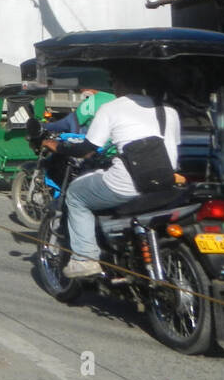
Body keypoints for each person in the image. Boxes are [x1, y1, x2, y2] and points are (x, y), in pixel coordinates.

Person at [62, 66, 182, 279]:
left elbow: (89, 147)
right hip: (164, 183)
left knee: (75, 194)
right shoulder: (168, 110)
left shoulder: (111, 108)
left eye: (113, 81)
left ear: (120, 83)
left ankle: (84, 259)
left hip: (128, 184)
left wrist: (63, 148)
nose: (113, 87)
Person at [44, 87, 114, 137]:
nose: (80, 91)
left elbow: (70, 122)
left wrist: (46, 126)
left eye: (81, 88)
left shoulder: (90, 102)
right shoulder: (112, 96)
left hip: (99, 148)